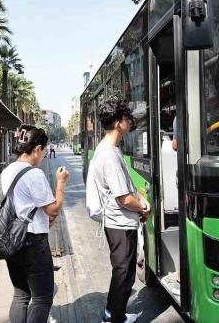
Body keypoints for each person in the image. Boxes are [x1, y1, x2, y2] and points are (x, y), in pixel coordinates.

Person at [88, 98, 150, 323]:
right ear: (118, 123)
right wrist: (143, 206)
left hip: (117, 221)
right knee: (123, 273)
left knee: (122, 271)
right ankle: (115, 318)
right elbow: (123, 198)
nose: (130, 122)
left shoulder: (108, 149)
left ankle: (112, 313)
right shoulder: (109, 154)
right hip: (120, 223)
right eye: (126, 118)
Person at [2, 125, 69, 323]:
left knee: (21, 295)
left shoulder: (6, 171)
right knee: (42, 298)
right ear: (38, 149)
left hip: (12, 239)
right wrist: (61, 183)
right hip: (33, 242)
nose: (44, 154)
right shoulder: (34, 174)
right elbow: (52, 209)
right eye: (44, 150)